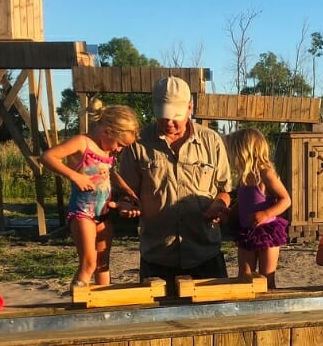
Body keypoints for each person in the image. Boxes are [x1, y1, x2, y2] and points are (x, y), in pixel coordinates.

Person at [117, 76, 232, 290]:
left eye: (175, 117)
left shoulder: (211, 141)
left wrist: (220, 205)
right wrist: (127, 205)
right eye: (163, 117)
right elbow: (126, 193)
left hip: (205, 254)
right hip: (157, 258)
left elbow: (225, 190)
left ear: (190, 107)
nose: (169, 123)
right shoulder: (137, 145)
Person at [40, 101, 140, 288]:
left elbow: (108, 172)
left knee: (103, 263)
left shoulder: (106, 149)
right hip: (82, 213)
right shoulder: (82, 143)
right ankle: (77, 300)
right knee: (89, 262)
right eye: (120, 144)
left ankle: (103, 301)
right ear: (108, 131)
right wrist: (74, 175)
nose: (119, 149)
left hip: (102, 213)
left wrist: (127, 191)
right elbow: (47, 157)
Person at [227, 127, 292, 289]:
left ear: (245, 152)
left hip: (267, 232)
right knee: (244, 276)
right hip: (247, 232)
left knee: (266, 277)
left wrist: (266, 213)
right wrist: (228, 214)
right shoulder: (243, 178)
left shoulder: (266, 174)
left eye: (234, 153)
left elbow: (286, 200)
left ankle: (269, 308)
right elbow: (243, 203)